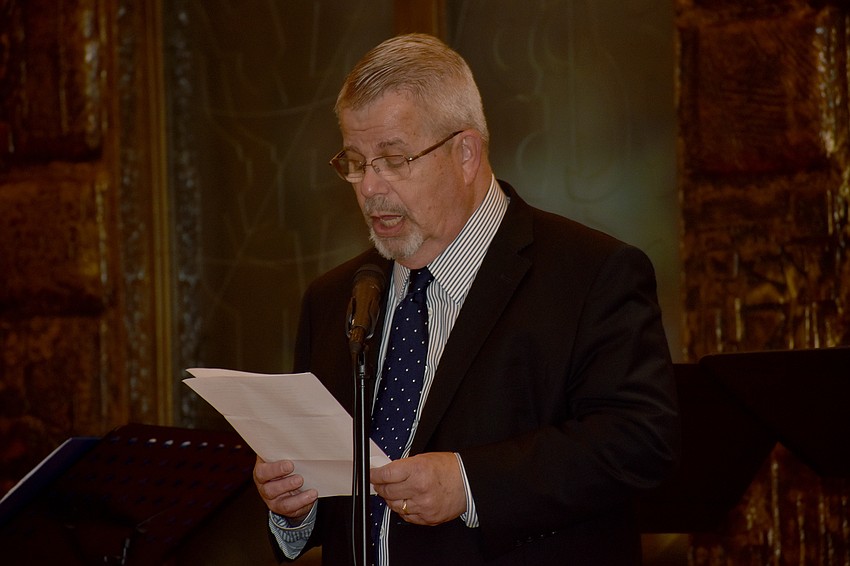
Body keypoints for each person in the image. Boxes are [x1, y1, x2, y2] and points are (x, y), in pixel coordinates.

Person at [253, 33, 679, 565]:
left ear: (466, 153)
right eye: (356, 162)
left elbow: (638, 442)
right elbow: (336, 497)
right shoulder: (334, 298)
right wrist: (294, 508)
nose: (369, 188)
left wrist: (470, 483)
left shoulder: (590, 275)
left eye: (393, 158)